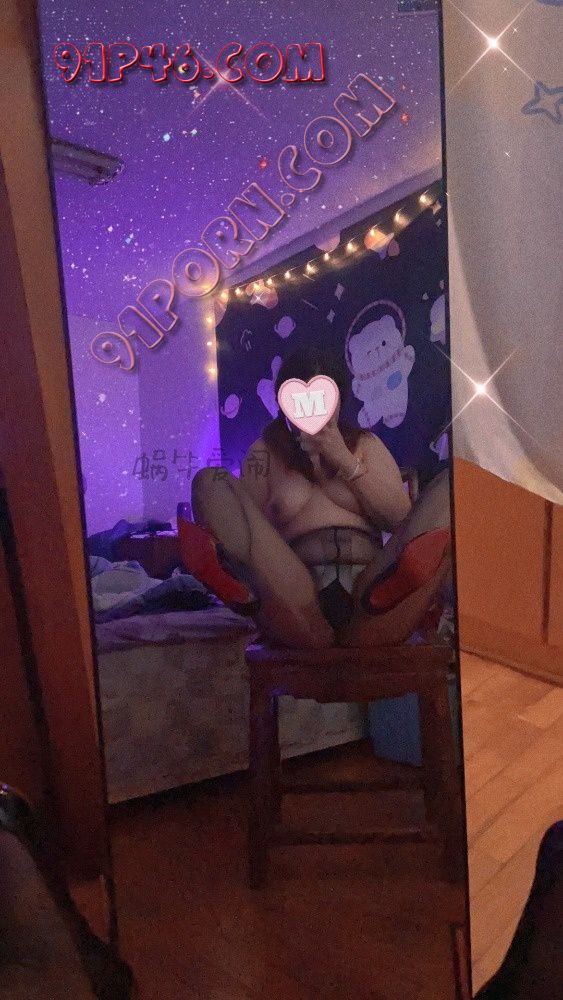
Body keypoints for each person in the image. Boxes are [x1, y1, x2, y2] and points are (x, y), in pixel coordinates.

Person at [180, 347, 451, 649]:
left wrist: (344, 460)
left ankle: (398, 583)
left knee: (450, 486)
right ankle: (238, 584)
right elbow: (245, 529)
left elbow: (401, 519)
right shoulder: (264, 452)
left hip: (373, 599)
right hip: (296, 600)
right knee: (210, 481)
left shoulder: (366, 445)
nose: (311, 411)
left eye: (323, 400)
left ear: (339, 401)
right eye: (300, 402)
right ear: (283, 403)